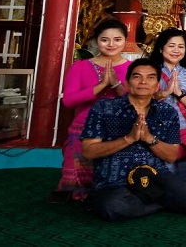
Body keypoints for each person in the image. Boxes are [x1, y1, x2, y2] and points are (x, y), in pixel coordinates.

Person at [81, 58, 186, 221]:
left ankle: (143, 203)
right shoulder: (104, 108)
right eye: (137, 76)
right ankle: (159, 203)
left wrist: (149, 138)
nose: (143, 82)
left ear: (157, 85)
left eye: (150, 77)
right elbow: (88, 152)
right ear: (127, 82)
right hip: (114, 180)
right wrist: (128, 139)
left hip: (155, 176)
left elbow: (171, 156)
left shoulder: (167, 112)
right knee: (114, 206)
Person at [56, 18, 131, 202]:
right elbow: (69, 100)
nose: (111, 44)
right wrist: (101, 85)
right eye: (105, 40)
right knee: (80, 176)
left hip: (118, 126)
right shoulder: (81, 66)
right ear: (96, 41)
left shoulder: (132, 68)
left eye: (117, 39)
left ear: (125, 41)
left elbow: (134, 102)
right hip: (84, 125)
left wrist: (116, 84)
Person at [148, 28, 186, 183]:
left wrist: (180, 94)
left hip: (185, 136)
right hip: (156, 135)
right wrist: (164, 93)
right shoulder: (149, 72)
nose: (176, 50)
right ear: (161, 48)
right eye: (171, 45)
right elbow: (139, 102)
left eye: (181, 46)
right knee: (159, 182)